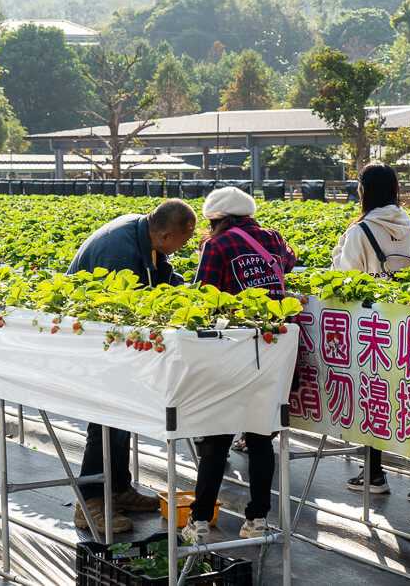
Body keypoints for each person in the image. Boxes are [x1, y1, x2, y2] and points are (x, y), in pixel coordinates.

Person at [69, 198, 197, 534]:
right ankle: (89, 504)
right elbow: (122, 312)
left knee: (122, 413)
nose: (181, 248)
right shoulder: (118, 254)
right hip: (94, 339)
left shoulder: (143, 232)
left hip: (113, 340)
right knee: (106, 417)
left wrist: (184, 294)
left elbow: (160, 275)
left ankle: (118, 490)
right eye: (183, 241)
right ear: (166, 234)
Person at [183, 187, 297, 544]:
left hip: (231, 349)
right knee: (262, 436)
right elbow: (288, 262)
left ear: (216, 219)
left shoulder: (216, 247)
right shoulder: (272, 239)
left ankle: (199, 521)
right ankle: (259, 519)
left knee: (217, 437)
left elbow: (203, 298)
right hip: (273, 346)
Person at [332, 162, 410, 503]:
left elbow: (345, 280)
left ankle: (374, 473)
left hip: (374, 325)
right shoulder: (409, 223)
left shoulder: (360, 231)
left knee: (374, 396)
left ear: (365, 191)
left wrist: (338, 253)